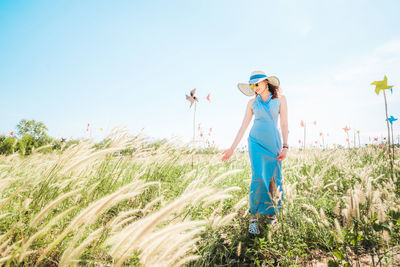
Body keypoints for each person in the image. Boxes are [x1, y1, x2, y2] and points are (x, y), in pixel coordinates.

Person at [221, 70, 289, 235]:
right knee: (258, 178)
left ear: (266, 82)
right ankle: (254, 219)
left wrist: (286, 146)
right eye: (252, 86)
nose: (254, 88)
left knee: (274, 178)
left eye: (257, 84)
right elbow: (243, 126)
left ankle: (273, 215)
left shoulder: (280, 99)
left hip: (274, 144)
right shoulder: (251, 103)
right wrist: (232, 148)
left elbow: (285, 123)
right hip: (255, 143)